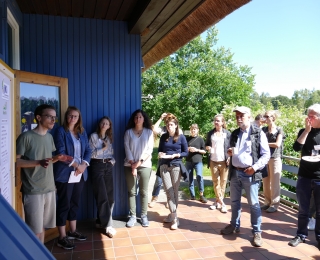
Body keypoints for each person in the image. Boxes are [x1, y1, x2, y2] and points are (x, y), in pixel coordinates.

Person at [16, 104, 72, 244]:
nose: (53, 120)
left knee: (41, 228)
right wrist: (38, 162)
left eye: (54, 117)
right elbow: (16, 163)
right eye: (50, 117)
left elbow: (46, 161)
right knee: (34, 231)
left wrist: (57, 158)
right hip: (33, 190)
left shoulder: (49, 137)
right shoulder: (25, 137)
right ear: (39, 117)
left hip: (49, 188)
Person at [220, 106, 270, 247]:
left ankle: (257, 231)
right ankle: (234, 225)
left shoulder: (258, 133)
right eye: (237, 116)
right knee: (234, 202)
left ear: (249, 116)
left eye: (241, 115)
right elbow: (231, 150)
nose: (239, 118)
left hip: (250, 174)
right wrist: (229, 153)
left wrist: (254, 168)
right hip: (235, 171)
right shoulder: (235, 133)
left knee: (254, 204)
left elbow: (266, 154)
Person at [53, 106, 92, 250]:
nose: (73, 119)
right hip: (65, 173)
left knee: (75, 202)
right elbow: (61, 153)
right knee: (64, 204)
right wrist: (77, 165)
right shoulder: (60, 131)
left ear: (79, 118)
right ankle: (61, 237)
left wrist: (84, 165)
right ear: (66, 117)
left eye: (75, 116)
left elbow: (88, 150)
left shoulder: (81, 131)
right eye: (70, 116)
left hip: (80, 173)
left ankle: (72, 231)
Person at [288, 104, 320, 250]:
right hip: (304, 176)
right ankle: (300, 235)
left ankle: (319, 238)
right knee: (303, 209)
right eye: (308, 115)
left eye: (313, 116)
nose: (309, 118)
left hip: (319, 177)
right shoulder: (303, 131)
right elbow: (296, 148)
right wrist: (307, 131)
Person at [124, 109, 154, 228]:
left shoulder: (148, 132)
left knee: (143, 192)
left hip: (145, 165)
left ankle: (143, 216)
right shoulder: (128, 133)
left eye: (140, 117)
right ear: (133, 119)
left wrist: (138, 163)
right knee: (131, 192)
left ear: (144, 119)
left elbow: (149, 150)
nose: (138, 119)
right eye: (136, 117)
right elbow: (127, 149)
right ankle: (132, 216)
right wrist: (133, 164)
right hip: (129, 165)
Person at [158, 116, 188, 230]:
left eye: (171, 125)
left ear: (176, 125)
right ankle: (175, 218)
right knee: (169, 191)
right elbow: (160, 150)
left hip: (176, 165)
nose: (169, 127)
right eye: (167, 125)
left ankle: (172, 215)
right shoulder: (163, 137)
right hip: (164, 165)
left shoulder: (181, 138)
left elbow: (186, 152)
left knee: (174, 192)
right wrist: (160, 154)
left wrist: (177, 155)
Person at [89, 116, 116, 238]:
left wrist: (112, 161)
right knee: (102, 196)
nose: (105, 125)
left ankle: (100, 221)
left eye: (107, 123)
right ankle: (108, 225)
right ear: (100, 124)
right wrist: (103, 148)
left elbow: (111, 152)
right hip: (97, 166)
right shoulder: (93, 136)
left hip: (108, 166)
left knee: (110, 197)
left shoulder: (109, 138)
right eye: (103, 123)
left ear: (109, 126)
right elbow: (90, 154)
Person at [149, 112, 183, 208]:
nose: (168, 122)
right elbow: (154, 129)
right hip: (163, 160)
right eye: (166, 120)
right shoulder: (164, 130)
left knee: (172, 182)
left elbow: (181, 144)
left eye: (170, 119)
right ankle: (154, 198)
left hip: (173, 160)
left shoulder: (178, 131)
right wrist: (160, 118)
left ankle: (170, 200)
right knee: (158, 180)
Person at [205, 114, 231, 213]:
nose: (216, 122)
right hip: (213, 160)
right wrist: (207, 147)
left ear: (223, 122)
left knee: (223, 182)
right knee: (216, 182)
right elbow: (206, 144)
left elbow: (231, 146)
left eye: (218, 121)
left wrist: (229, 157)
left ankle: (218, 202)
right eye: (215, 120)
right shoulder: (210, 133)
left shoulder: (227, 133)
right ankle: (221, 203)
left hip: (224, 161)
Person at [261, 110, 285, 213]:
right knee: (265, 182)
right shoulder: (263, 129)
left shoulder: (279, 129)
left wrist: (265, 143)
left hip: (275, 158)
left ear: (273, 117)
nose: (265, 118)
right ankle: (267, 202)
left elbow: (277, 144)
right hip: (265, 158)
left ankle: (274, 204)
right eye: (264, 116)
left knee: (275, 182)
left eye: (267, 116)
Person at [186, 124, 207, 203]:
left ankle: (201, 194)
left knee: (199, 177)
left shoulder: (200, 139)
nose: (193, 130)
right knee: (190, 179)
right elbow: (183, 150)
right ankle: (192, 196)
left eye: (195, 129)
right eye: (192, 129)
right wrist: (188, 149)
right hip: (188, 161)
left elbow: (204, 151)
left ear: (198, 130)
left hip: (198, 161)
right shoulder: (187, 139)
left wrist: (196, 150)